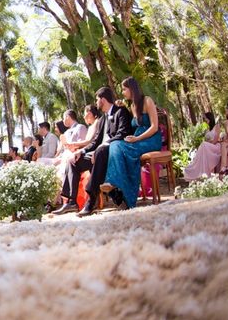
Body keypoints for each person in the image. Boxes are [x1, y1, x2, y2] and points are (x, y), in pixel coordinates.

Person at [53, 86, 133, 216]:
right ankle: (71, 202)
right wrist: (82, 151)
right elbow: (95, 141)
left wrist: (103, 146)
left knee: (100, 152)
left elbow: (123, 133)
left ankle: (90, 201)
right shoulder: (102, 119)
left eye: (97, 99)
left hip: (114, 151)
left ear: (103, 99)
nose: (96, 103)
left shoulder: (121, 112)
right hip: (98, 153)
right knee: (73, 160)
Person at [101, 77, 162, 209]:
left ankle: (116, 183)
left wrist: (137, 139)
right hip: (137, 140)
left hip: (151, 140)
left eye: (124, 89)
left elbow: (154, 127)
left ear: (131, 88)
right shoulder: (133, 106)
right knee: (115, 144)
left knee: (122, 148)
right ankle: (120, 189)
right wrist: (123, 107)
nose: (122, 92)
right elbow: (134, 123)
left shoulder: (147, 100)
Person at [183, 112, 221, 181]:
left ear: (210, 118)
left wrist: (209, 144)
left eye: (206, 118)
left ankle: (203, 171)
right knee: (204, 145)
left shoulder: (217, 126)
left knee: (204, 145)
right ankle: (198, 170)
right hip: (208, 147)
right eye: (205, 119)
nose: (205, 120)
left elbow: (216, 139)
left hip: (216, 146)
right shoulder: (207, 129)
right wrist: (207, 143)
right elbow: (206, 141)